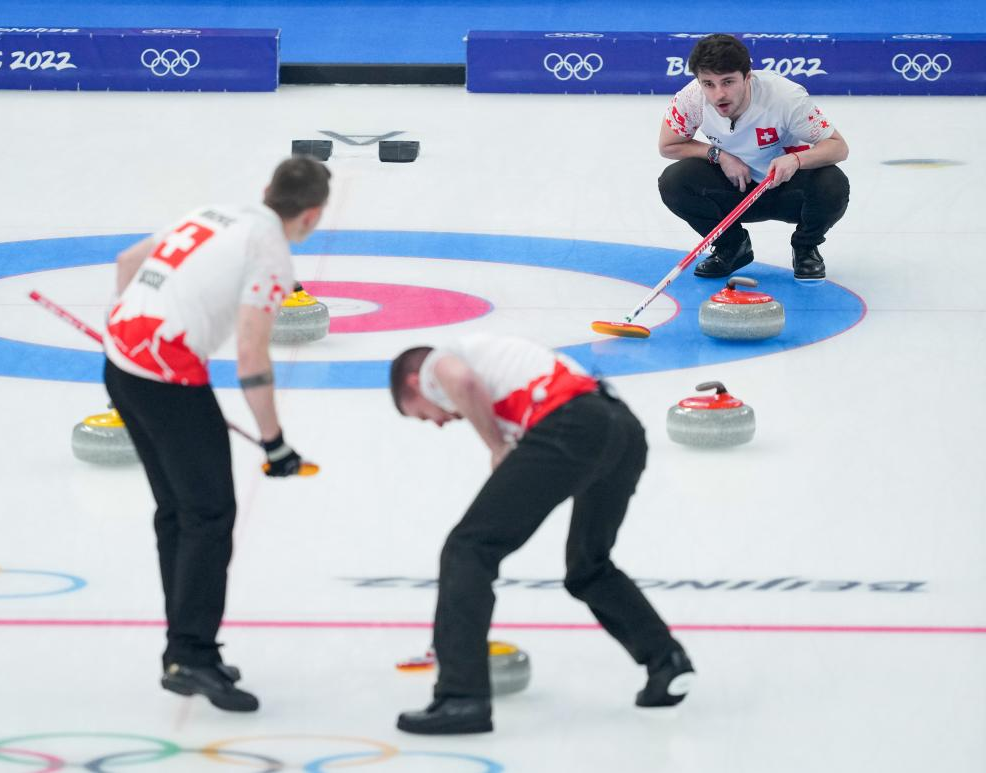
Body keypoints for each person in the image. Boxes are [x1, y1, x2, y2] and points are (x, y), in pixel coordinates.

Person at [102, 155, 330, 712]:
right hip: (167, 375)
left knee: (179, 511)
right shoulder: (270, 250)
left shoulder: (213, 212)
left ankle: (183, 647)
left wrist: (123, 336)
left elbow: (128, 261)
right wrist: (274, 442)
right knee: (208, 515)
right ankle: (192, 655)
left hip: (122, 361)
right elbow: (251, 354)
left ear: (266, 188)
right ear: (311, 216)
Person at [389, 334, 694, 735]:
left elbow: (458, 379)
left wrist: (496, 447)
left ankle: (461, 698)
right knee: (589, 567)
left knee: (468, 549)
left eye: (423, 415)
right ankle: (667, 663)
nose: (439, 422)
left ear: (413, 383)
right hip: (622, 429)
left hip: (571, 423)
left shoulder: (437, 363)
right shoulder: (499, 368)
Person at [658, 33, 849, 280]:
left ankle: (805, 248)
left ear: (747, 77)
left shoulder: (785, 97)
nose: (718, 95)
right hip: (735, 189)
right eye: (708, 84)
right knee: (674, 181)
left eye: (728, 82)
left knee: (833, 183)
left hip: (787, 188)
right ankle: (731, 246)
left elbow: (838, 147)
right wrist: (719, 155)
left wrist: (796, 160)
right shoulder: (692, 98)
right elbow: (668, 146)